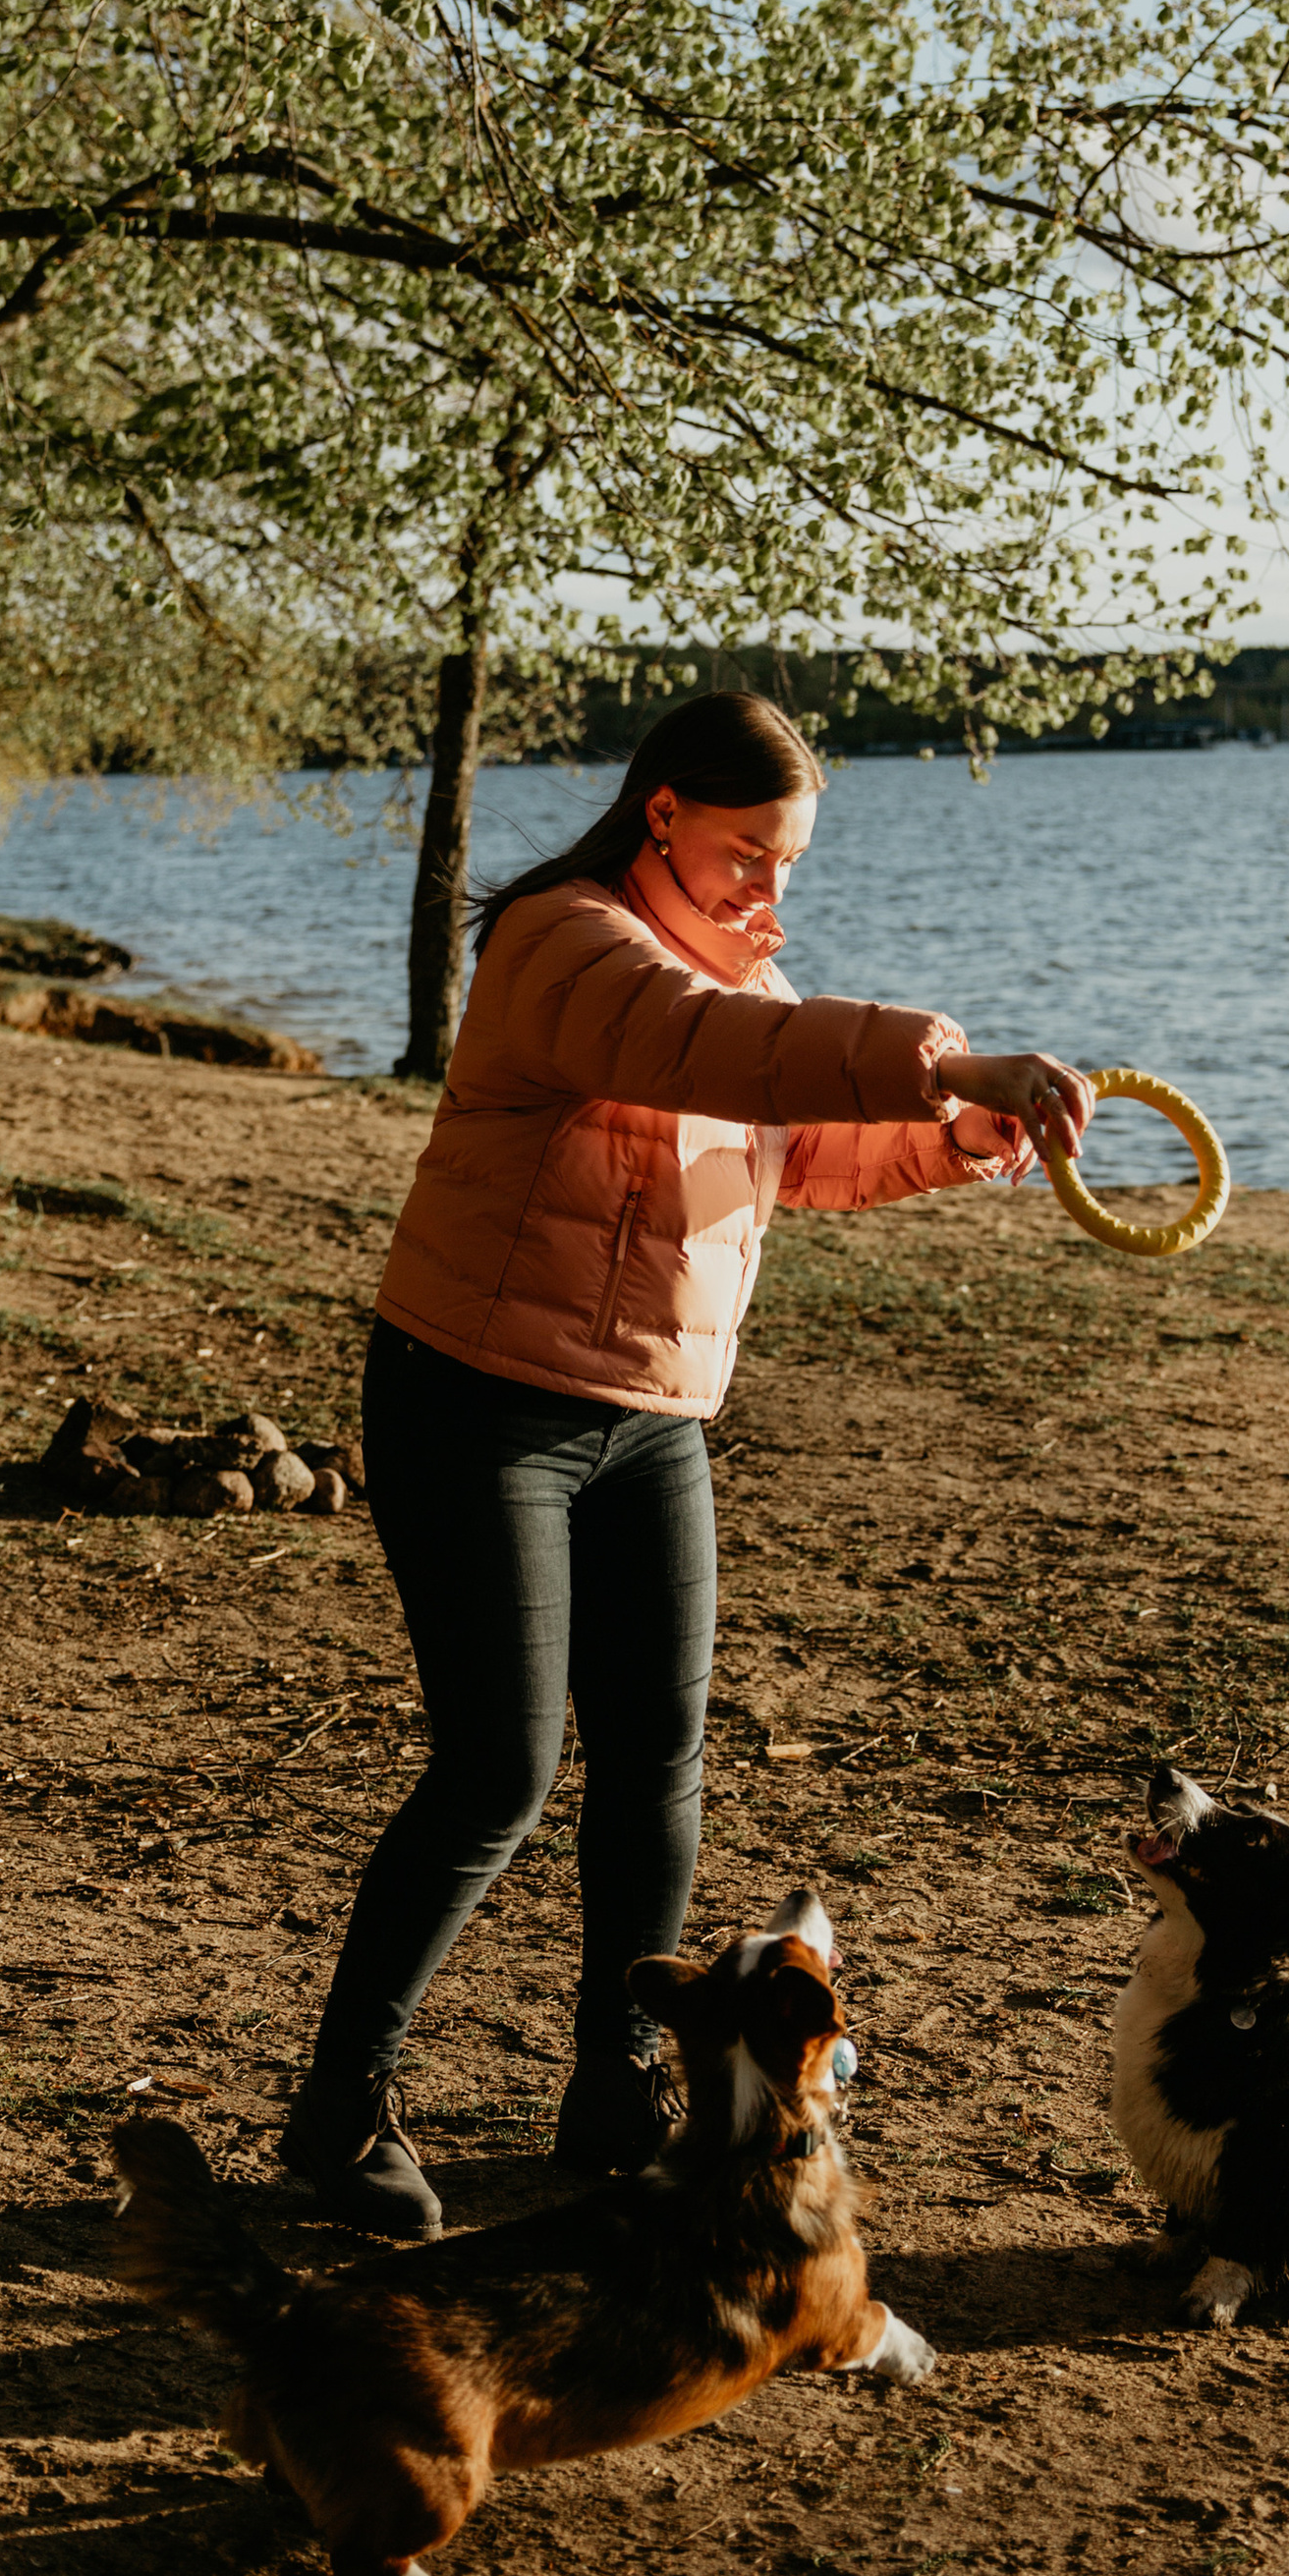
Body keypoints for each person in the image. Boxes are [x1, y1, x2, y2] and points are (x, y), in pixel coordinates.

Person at [281, 692, 1093, 2235]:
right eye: (746, 853)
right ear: (661, 814)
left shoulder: (745, 981)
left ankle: (619, 2081)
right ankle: (340, 2109)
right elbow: (700, 1048)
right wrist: (947, 1060)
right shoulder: (564, 944)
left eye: (790, 865)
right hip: (477, 1400)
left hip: (651, 1418)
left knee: (658, 1762)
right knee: (499, 1773)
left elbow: (796, 1141)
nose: (769, 891)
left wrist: (960, 1134)